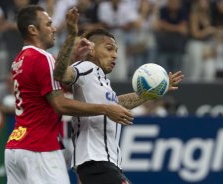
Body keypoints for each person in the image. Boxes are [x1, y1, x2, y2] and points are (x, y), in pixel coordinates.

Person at [4, 5, 133, 184]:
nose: (54, 28)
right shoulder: (44, 58)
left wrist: (74, 58)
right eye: (48, 24)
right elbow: (60, 104)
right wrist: (105, 109)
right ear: (33, 30)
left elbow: (57, 84)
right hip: (40, 147)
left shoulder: (19, 60)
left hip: (16, 147)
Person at [53, 28, 184, 184]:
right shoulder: (85, 68)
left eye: (116, 50)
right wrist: (69, 41)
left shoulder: (102, 81)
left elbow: (116, 104)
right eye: (109, 49)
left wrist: (153, 90)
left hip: (102, 165)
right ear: (92, 50)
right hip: (96, 162)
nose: (115, 55)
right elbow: (60, 74)